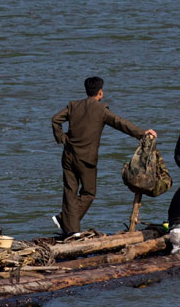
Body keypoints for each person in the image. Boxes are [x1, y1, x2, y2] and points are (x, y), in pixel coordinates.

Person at [51, 76, 157, 237]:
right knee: (88, 193)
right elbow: (121, 123)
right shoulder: (101, 110)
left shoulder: (74, 106)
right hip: (86, 159)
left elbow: (55, 120)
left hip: (68, 155)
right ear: (100, 93)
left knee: (70, 192)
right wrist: (142, 134)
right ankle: (68, 224)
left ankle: (69, 226)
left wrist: (62, 138)